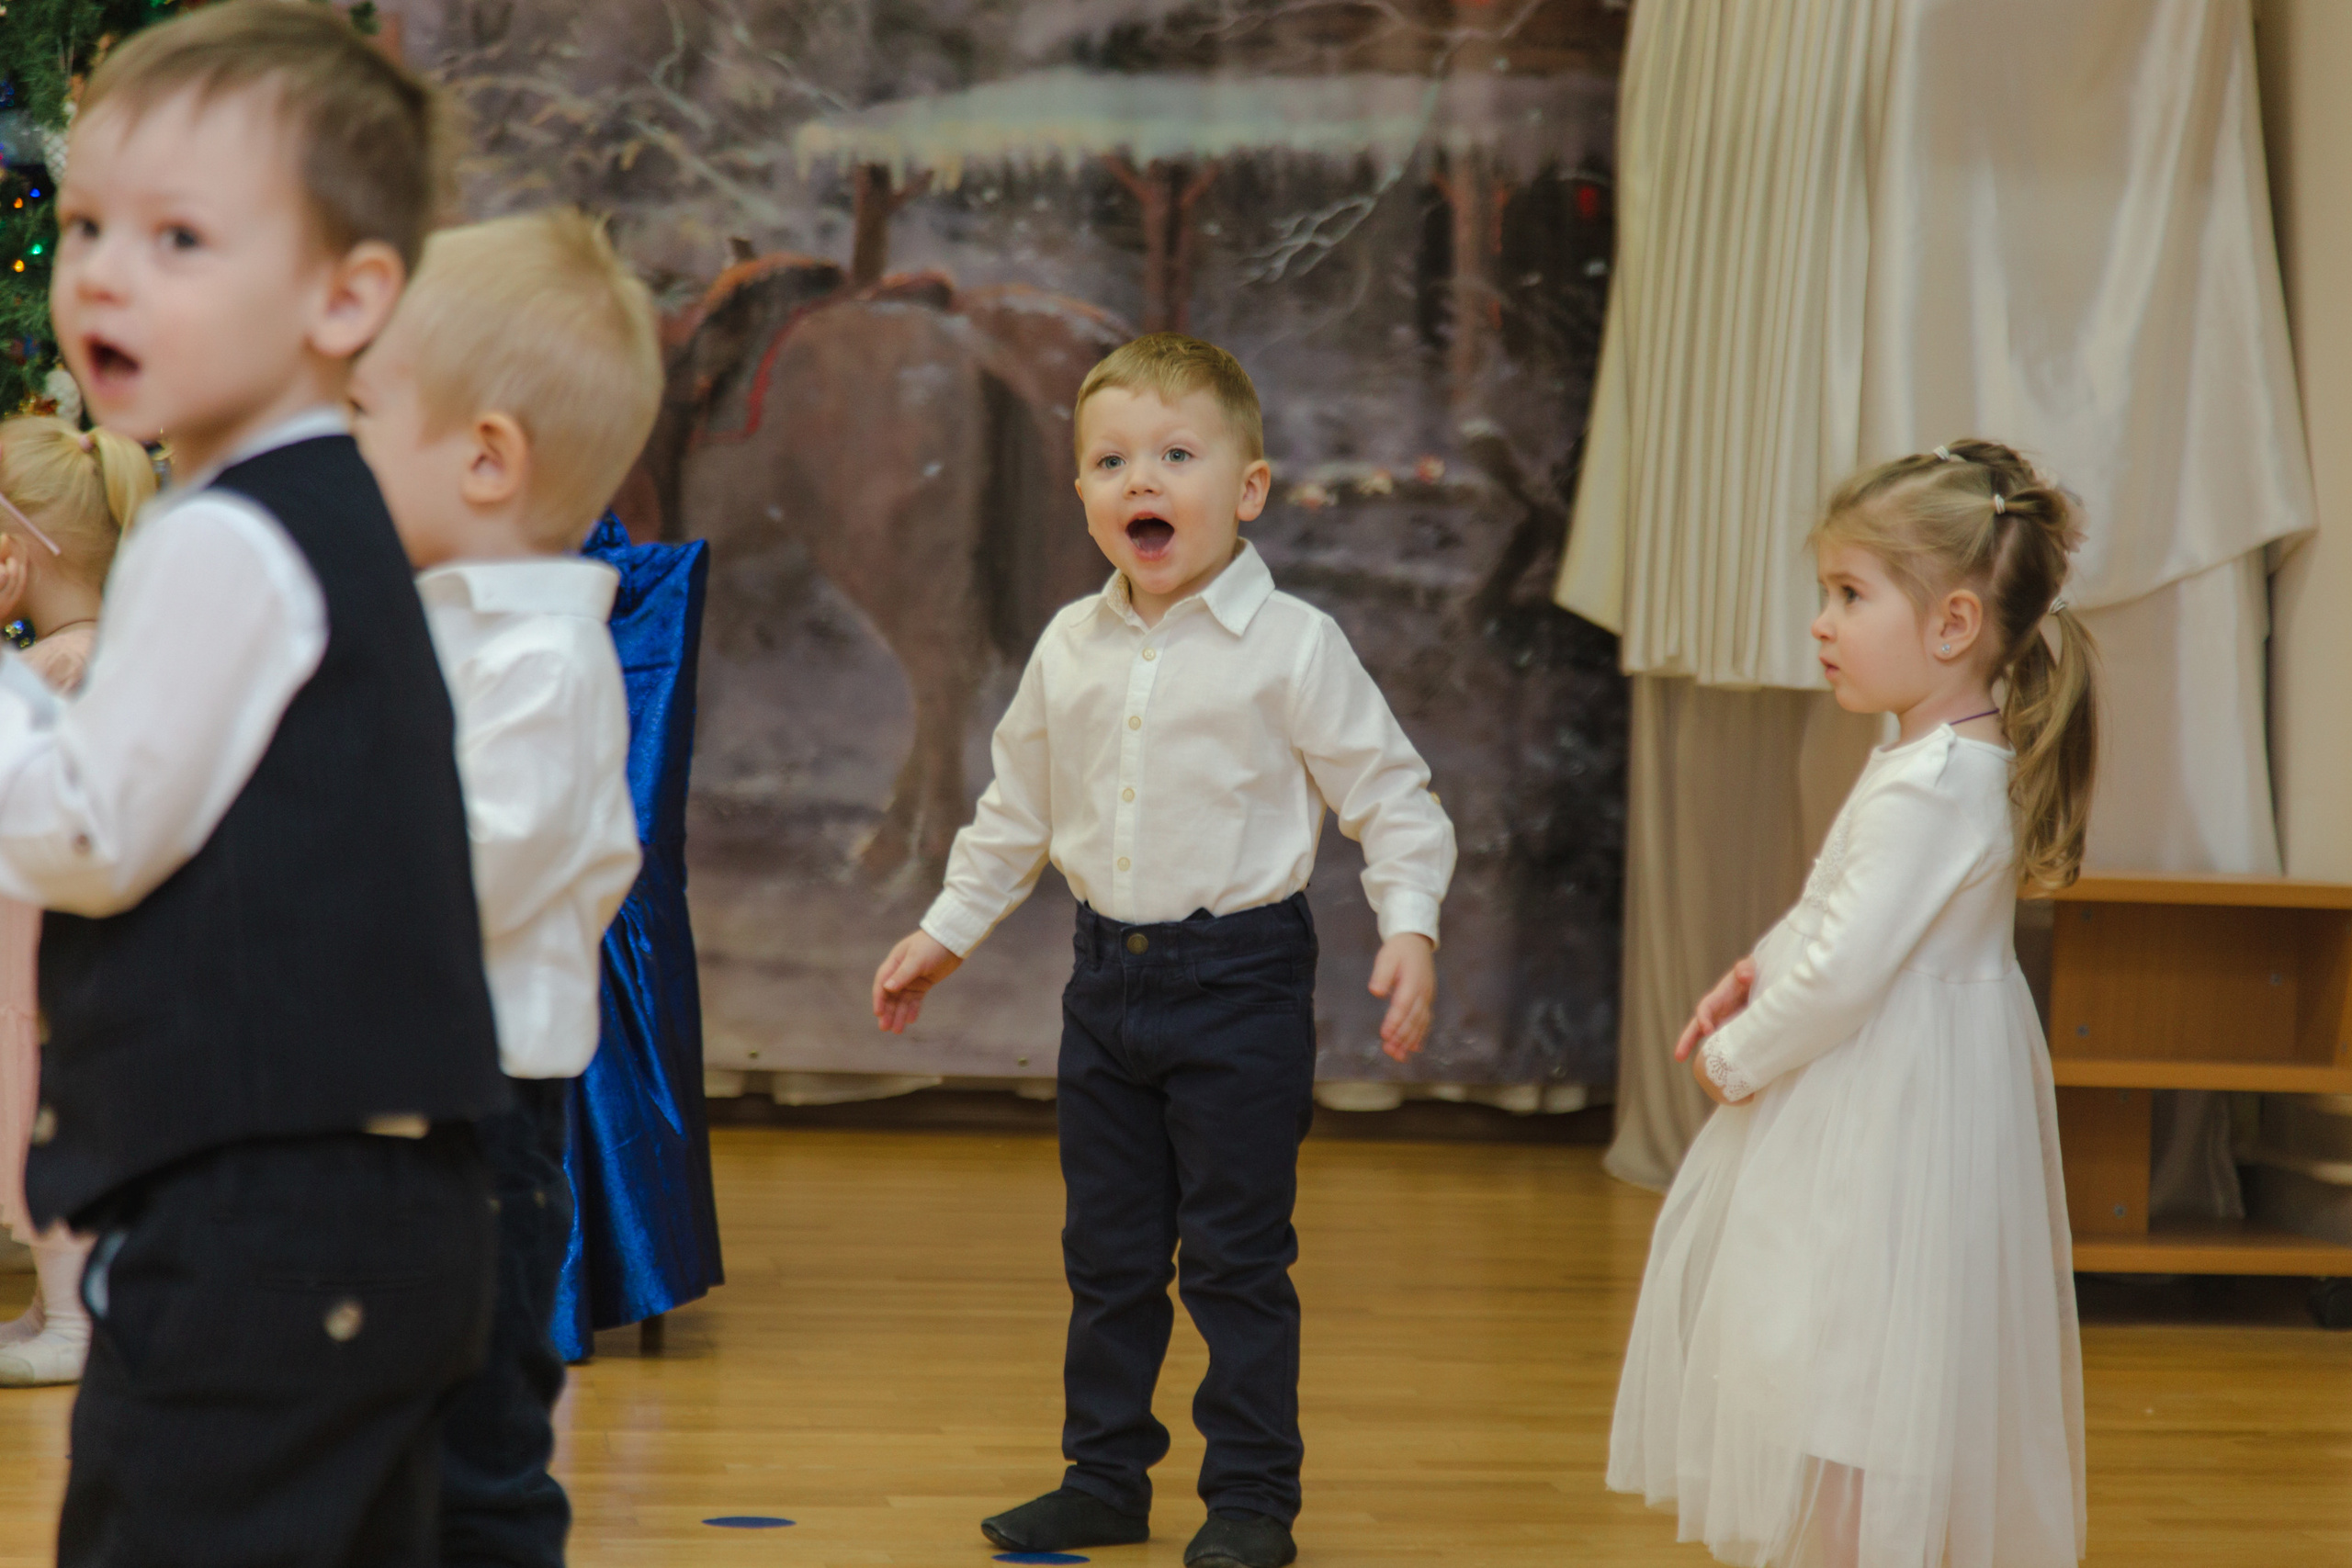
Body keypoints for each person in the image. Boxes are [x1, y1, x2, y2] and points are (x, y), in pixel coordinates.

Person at [8, 6, 511, 1563]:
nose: (100, 269)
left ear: (346, 295)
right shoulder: (318, 515)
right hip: (376, 1213)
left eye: (176, 237)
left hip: (267, 1231)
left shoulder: (227, 539)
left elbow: (87, 831)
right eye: (87, 223)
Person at [872, 333, 1457, 1568]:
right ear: (1081, 493)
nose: (1144, 479)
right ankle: (1105, 1474)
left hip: (1240, 985)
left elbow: (1393, 796)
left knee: (1238, 1256)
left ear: (1246, 489)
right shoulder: (1069, 649)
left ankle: (1250, 1497)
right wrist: (944, 932)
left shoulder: (1293, 645)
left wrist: (1410, 924)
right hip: (1107, 987)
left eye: (1177, 455)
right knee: (1111, 1252)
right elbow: (1014, 811)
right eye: (1112, 459)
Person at [1610, 439, 2091, 1568]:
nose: (1821, 622)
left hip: (1885, 1112)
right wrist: (1753, 970)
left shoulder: (1931, 782)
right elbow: (1838, 917)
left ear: (1953, 624)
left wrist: (1739, 1058)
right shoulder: (1941, 754)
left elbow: (1845, 969)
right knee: (1857, 1363)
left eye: (1847, 595)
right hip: (1913, 1084)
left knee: (1844, 1362)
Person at [349, 207, 657, 1568]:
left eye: (363, 410)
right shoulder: (420, 619)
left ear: (485, 456)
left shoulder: (542, 669)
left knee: (479, 1468)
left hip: (483, 1136)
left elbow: (454, 874)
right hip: (380, 1112)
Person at [0, 417, 155, 1388]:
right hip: (59, 943)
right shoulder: (84, 649)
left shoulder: (57, 666)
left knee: (41, 1110)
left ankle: (72, 1317)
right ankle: (52, 1302)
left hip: (46, 948)